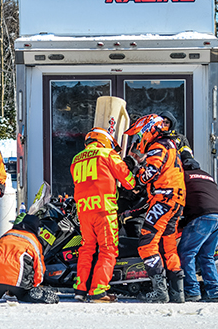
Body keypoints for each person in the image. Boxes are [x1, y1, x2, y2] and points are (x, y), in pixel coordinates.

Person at [124, 114, 186, 303]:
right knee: (168, 246)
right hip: (175, 200)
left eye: (140, 134)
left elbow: (150, 173)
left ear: (149, 130)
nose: (140, 139)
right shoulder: (171, 144)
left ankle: (159, 291)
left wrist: (136, 172)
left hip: (163, 199)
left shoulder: (157, 146)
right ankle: (177, 292)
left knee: (147, 243)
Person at [70, 127, 136, 303]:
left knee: (86, 249)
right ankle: (98, 291)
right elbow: (129, 182)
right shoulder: (107, 154)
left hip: (84, 211)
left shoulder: (76, 159)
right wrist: (129, 165)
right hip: (104, 210)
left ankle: (80, 289)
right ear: (104, 140)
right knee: (108, 249)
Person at [0, 214, 59, 304]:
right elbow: (39, 267)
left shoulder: (6, 235)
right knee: (24, 295)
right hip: (18, 281)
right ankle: (34, 294)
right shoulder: (33, 241)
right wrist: (36, 285)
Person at [177, 152, 218, 302]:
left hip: (203, 216)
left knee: (186, 253)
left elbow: (178, 198)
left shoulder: (182, 176)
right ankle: (214, 292)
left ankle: (192, 291)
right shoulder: (206, 175)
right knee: (206, 256)